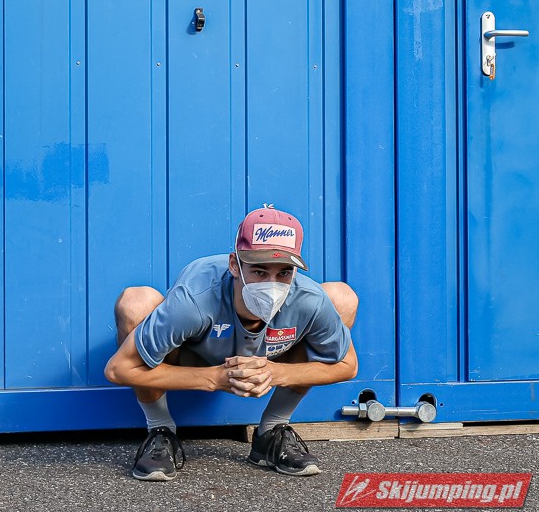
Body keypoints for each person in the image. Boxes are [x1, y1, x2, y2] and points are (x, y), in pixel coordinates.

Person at [104, 205, 358, 481]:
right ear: (235, 265)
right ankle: (160, 429)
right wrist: (214, 378)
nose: (271, 285)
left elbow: (347, 365)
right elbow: (118, 369)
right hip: (194, 353)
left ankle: (272, 431)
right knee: (136, 302)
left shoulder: (307, 299)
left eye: (284, 272)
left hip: (269, 354)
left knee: (341, 297)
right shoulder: (195, 300)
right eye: (259, 272)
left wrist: (275, 372)